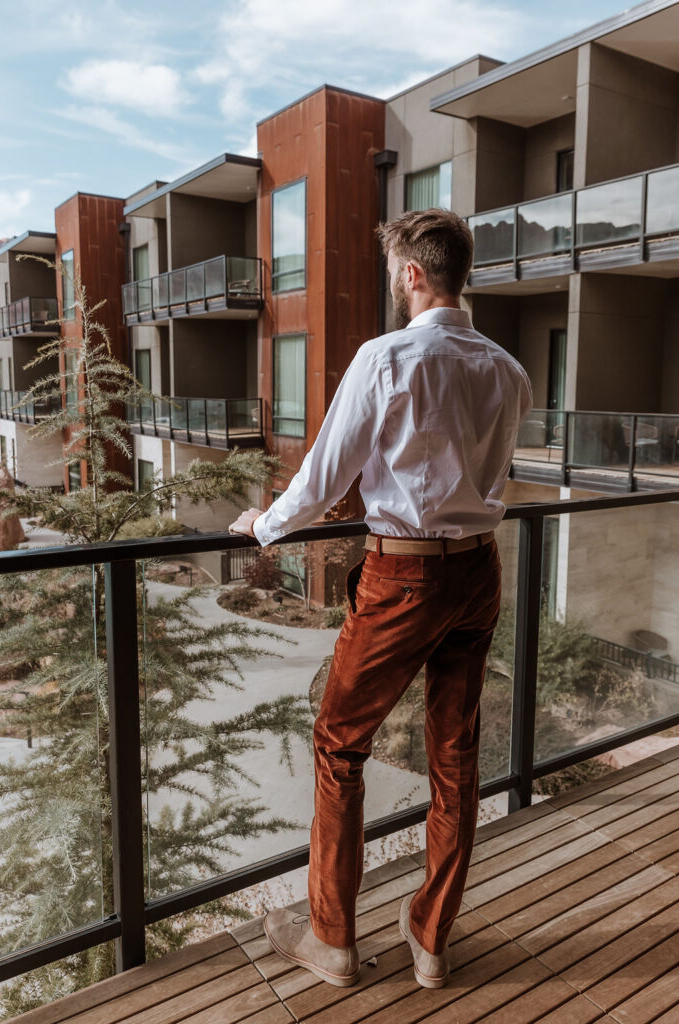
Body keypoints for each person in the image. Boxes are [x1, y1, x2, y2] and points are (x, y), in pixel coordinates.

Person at [229, 208, 533, 989]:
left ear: (411, 274)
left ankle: (331, 938)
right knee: (455, 758)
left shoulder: (388, 357)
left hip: (404, 576)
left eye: (395, 272)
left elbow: (325, 477)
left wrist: (262, 526)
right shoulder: (507, 369)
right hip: (478, 570)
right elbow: (493, 480)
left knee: (339, 745)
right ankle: (430, 939)